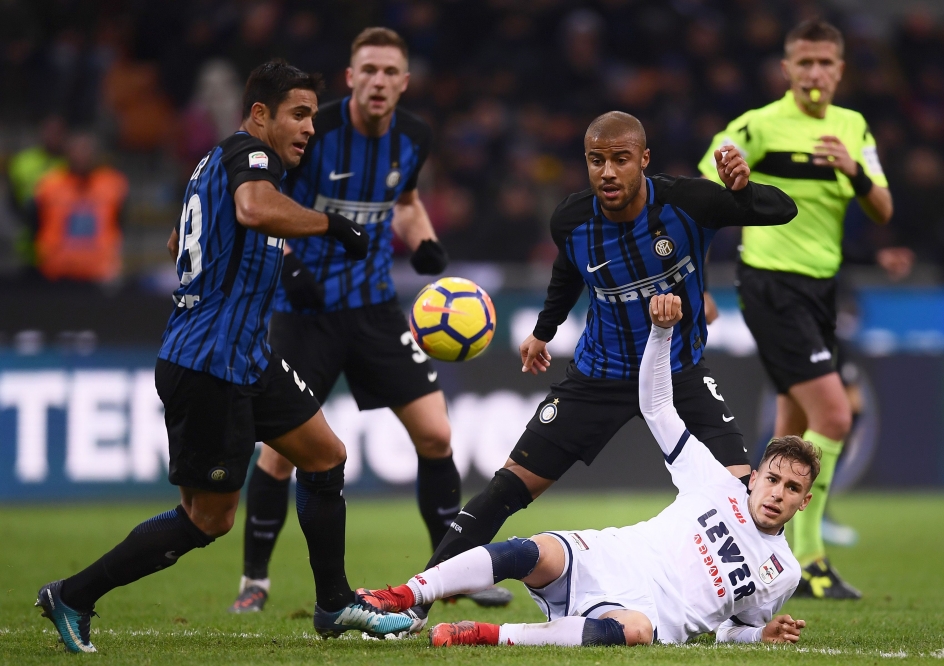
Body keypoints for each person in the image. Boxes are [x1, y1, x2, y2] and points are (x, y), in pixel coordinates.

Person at [34, 60, 413, 653]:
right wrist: (331, 225)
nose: (311, 127)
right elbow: (254, 210)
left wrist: (253, 268)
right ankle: (75, 594)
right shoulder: (250, 156)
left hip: (244, 356)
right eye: (299, 114)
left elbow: (177, 241)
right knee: (209, 519)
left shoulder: (215, 165)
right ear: (259, 114)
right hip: (209, 363)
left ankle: (335, 604)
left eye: (313, 115)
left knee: (325, 456)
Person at [413, 110, 797, 625]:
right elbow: (567, 274)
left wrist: (743, 191)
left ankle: (743, 621)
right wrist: (544, 331)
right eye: (597, 161)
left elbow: (784, 210)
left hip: (678, 374)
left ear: (644, 159)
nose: (608, 172)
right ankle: (414, 606)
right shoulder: (571, 221)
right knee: (507, 488)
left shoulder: (688, 203)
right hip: (599, 378)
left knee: (744, 494)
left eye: (620, 159)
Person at [228, 27, 507, 615]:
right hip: (304, 313)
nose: (379, 81)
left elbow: (403, 204)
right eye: (369, 70)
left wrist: (424, 241)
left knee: (436, 434)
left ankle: (452, 573)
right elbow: (264, 198)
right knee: (280, 452)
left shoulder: (413, 137)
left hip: (375, 308)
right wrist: (287, 260)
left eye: (390, 72)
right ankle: (255, 580)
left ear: (404, 83)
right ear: (352, 78)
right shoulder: (313, 130)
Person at [359, 293, 812, 648]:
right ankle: (402, 595)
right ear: (754, 476)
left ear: (803, 501)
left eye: (792, 488)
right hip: (610, 556)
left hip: (649, 616)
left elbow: (732, 631)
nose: (777, 493)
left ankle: (483, 634)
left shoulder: (785, 572)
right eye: (772, 479)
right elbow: (656, 407)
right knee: (530, 552)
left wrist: (761, 635)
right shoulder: (716, 481)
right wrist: (659, 332)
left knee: (633, 631)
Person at [698, 19, 893, 599]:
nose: (814, 74)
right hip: (770, 285)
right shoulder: (758, 126)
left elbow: (883, 208)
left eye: (825, 64)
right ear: (786, 69)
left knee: (792, 425)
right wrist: (698, 276)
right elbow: (702, 188)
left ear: (840, 70)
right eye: (803, 63)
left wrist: (854, 171)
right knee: (833, 417)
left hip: (820, 290)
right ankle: (809, 559)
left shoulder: (853, 128)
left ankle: (746, 544)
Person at [31, 131, 127, 283]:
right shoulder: (49, 186)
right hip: (57, 272)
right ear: (67, 153)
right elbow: (34, 224)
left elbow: (121, 223)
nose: (82, 155)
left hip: (100, 272)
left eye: (86, 150)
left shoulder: (113, 185)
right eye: (77, 150)